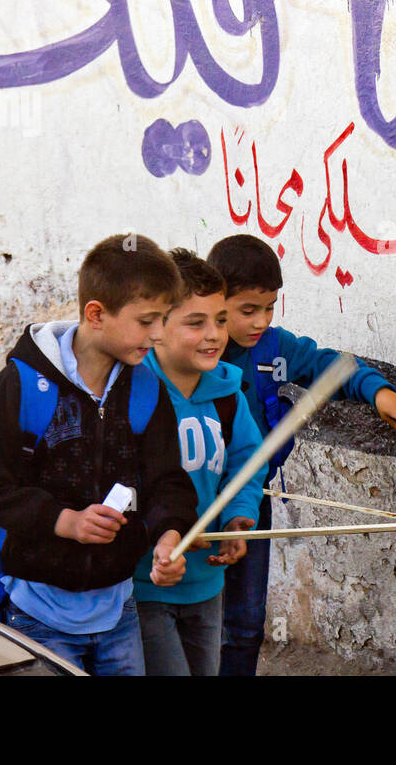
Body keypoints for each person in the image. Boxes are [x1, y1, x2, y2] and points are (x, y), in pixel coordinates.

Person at [0, 233, 198, 675]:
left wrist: (170, 536)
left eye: (164, 319)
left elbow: (168, 482)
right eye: (147, 320)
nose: (158, 334)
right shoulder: (21, 386)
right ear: (96, 314)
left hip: (119, 610)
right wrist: (65, 521)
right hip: (38, 615)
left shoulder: (147, 391)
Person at [207, 234, 396, 675]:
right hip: (196, 501)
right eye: (247, 310)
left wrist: (380, 394)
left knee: (246, 623)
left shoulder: (276, 349)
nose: (260, 321)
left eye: (270, 307)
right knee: (194, 621)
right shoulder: (194, 351)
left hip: (253, 501)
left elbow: (336, 365)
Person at [133, 248, 268, 675]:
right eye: (196, 322)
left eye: (221, 320)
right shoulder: (135, 394)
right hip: (147, 585)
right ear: (156, 329)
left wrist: (237, 518)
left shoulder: (228, 393)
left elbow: (247, 461)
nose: (214, 335)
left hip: (208, 584)